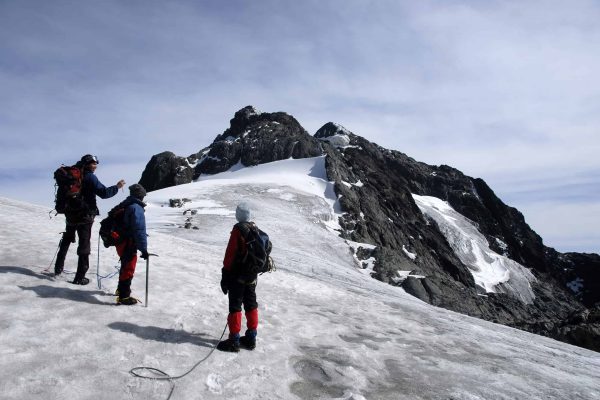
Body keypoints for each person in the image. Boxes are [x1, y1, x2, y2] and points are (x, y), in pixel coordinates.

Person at [54, 154, 125, 285]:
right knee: (84, 244)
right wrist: (117, 187)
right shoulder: (89, 176)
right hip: (85, 215)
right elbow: (104, 193)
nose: (95, 166)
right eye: (94, 164)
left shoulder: (72, 174)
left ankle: (58, 268)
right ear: (87, 164)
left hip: (70, 213)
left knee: (67, 238)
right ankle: (80, 277)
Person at [217, 203, 262, 352]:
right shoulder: (254, 228)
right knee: (251, 304)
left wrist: (225, 274)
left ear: (239, 215)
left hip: (238, 276)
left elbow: (230, 256)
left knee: (235, 306)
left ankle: (234, 340)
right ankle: (251, 338)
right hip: (251, 275)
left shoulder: (238, 230)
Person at [113, 184, 149, 305]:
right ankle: (124, 296)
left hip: (120, 240)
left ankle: (120, 290)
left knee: (125, 264)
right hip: (128, 241)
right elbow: (139, 230)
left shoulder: (126, 204)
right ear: (141, 195)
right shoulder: (136, 208)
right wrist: (143, 249)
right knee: (128, 267)